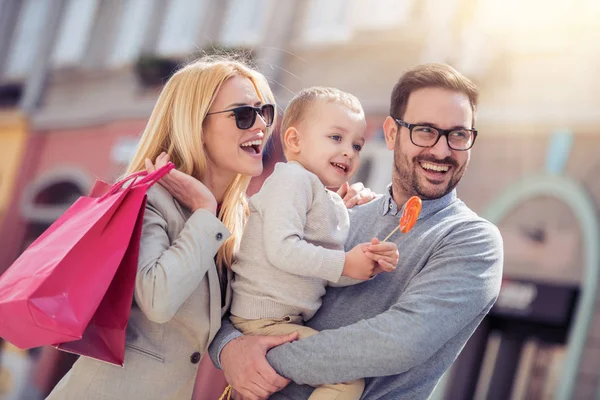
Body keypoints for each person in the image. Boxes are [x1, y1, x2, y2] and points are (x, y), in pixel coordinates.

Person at [46, 56, 374, 400]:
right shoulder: (150, 199)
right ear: (196, 123)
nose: (261, 126)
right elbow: (159, 299)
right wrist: (205, 211)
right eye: (244, 115)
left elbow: (260, 290)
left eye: (265, 113)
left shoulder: (237, 217)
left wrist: (330, 208)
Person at [208, 63, 504, 400]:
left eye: (459, 135)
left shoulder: (471, 240)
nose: (442, 150)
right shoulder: (342, 211)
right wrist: (228, 347)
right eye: (425, 130)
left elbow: (398, 342)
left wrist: (257, 360)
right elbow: (242, 282)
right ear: (392, 134)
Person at [228, 87, 399, 400]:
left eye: (357, 144)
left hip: (281, 320)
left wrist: (364, 267)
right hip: (261, 320)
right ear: (294, 141)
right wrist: (346, 263)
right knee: (346, 379)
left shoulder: (327, 198)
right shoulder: (292, 180)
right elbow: (284, 250)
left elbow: (319, 271)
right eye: (336, 138)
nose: (349, 151)